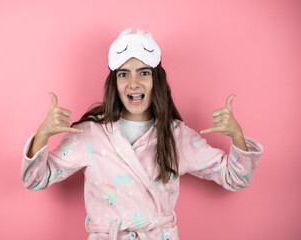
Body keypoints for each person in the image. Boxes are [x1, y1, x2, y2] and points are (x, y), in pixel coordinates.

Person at [21, 28, 264, 240]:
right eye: (123, 74)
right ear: (114, 82)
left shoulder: (176, 136)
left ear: (156, 80)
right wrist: (43, 135)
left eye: (144, 72)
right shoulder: (91, 134)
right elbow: (34, 179)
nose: (134, 83)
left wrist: (236, 136)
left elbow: (235, 178)